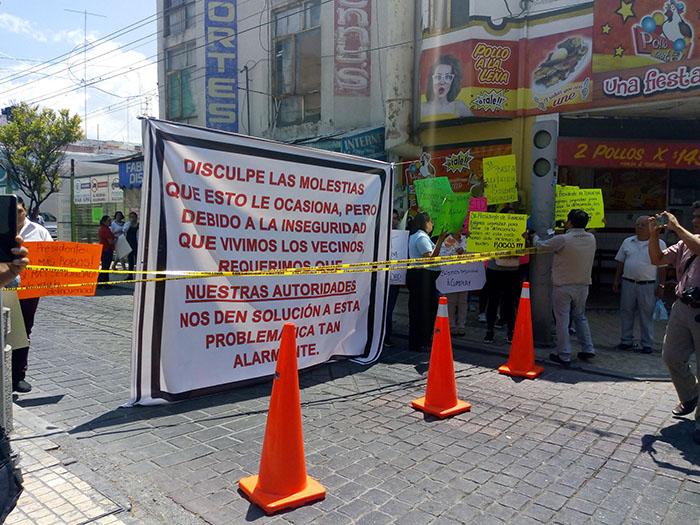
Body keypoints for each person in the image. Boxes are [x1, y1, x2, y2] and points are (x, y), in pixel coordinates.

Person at [648, 206, 700, 445]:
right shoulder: (683, 244)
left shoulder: (689, 240)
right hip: (682, 307)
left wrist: (677, 227)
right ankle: (690, 394)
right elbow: (656, 260)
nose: (696, 221)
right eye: (695, 218)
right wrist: (654, 235)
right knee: (671, 356)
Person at [534, 209, 597, 367]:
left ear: (569, 222)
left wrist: (533, 236)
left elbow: (541, 246)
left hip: (563, 285)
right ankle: (588, 347)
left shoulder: (563, 239)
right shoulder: (591, 238)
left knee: (562, 319)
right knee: (580, 316)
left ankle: (564, 354)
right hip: (583, 284)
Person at [12, 198, 52, 393]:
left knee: (23, 331)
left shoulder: (39, 231)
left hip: (29, 292)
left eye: (18, 210)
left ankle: (18, 375)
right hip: (4, 288)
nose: (15, 214)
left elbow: (53, 258)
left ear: (25, 210)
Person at [613, 215, 667, 354]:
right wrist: (616, 280)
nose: (639, 227)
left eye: (642, 225)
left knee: (646, 314)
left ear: (650, 227)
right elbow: (621, 262)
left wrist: (661, 285)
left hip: (648, 284)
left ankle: (647, 344)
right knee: (626, 312)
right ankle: (626, 340)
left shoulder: (659, 243)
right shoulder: (627, 242)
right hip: (628, 282)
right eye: (637, 225)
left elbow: (662, 267)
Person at [406, 212, 447, 352]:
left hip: (423, 279)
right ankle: (421, 340)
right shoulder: (421, 237)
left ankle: (420, 339)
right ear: (425, 223)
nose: (432, 225)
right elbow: (429, 258)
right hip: (422, 279)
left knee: (421, 309)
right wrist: (440, 240)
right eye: (431, 222)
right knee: (424, 310)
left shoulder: (417, 236)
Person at [421, 55, 472, 120]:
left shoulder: (459, 107)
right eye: (438, 77)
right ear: (431, 80)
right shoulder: (421, 109)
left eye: (448, 77)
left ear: (453, 81)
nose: (442, 82)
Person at [441, 230, 468, 336]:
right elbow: (442, 255)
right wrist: (456, 253)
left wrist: (464, 252)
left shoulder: (466, 239)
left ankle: (462, 325)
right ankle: (451, 325)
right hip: (451, 277)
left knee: (463, 302)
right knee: (451, 301)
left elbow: (473, 253)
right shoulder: (448, 240)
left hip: (465, 276)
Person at [384, 209, 401, 348]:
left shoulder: (402, 235)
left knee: (389, 309)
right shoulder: (381, 233)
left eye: (396, 218)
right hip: (380, 280)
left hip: (394, 280)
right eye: (392, 218)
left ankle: (387, 336)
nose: (394, 221)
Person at [98, 215, 116, 285]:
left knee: (105, 267)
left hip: (104, 249)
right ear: (104, 222)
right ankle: (103, 282)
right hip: (107, 250)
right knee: (106, 267)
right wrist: (116, 240)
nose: (110, 222)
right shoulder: (105, 230)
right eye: (108, 220)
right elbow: (110, 242)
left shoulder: (103, 228)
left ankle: (103, 282)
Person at [124, 211, 139, 281]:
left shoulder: (139, 225)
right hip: (129, 244)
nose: (132, 218)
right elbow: (124, 230)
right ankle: (130, 275)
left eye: (133, 217)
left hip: (136, 245)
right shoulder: (127, 224)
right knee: (130, 261)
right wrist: (130, 223)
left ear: (136, 217)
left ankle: (138, 274)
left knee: (137, 260)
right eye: (130, 217)